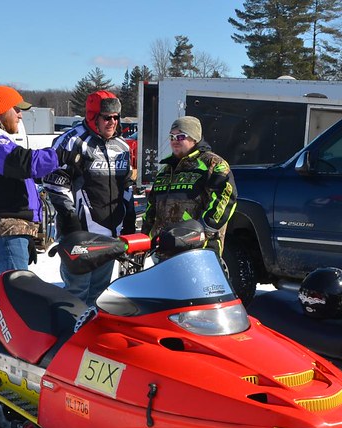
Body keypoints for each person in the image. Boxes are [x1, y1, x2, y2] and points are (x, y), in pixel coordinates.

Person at [0, 85, 76, 281]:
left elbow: (15, 173)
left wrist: (26, 232)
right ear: (1, 110)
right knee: (16, 296)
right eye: (16, 110)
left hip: (10, 230)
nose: (20, 115)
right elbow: (20, 163)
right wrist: (60, 155)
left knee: (0, 297)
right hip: (4, 229)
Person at [44, 90, 134, 306]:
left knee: (100, 297)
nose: (112, 122)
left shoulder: (121, 147)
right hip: (80, 237)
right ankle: (68, 337)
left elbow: (127, 185)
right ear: (93, 116)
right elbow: (54, 181)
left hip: (109, 237)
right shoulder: (72, 141)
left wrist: (128, 218)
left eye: (116, 117)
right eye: (106, 117)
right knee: (77, 295)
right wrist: (69, 219)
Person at [140, 116, 237, 254]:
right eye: (172, 137)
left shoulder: (213, 164)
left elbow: (226, 199)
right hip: (163, 251)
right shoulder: (165, 170)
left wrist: (205, 229)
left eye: (180, 137)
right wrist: (145, 239)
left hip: (198, 251)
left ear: (194, 138)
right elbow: (151, 208)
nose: (174, 141)